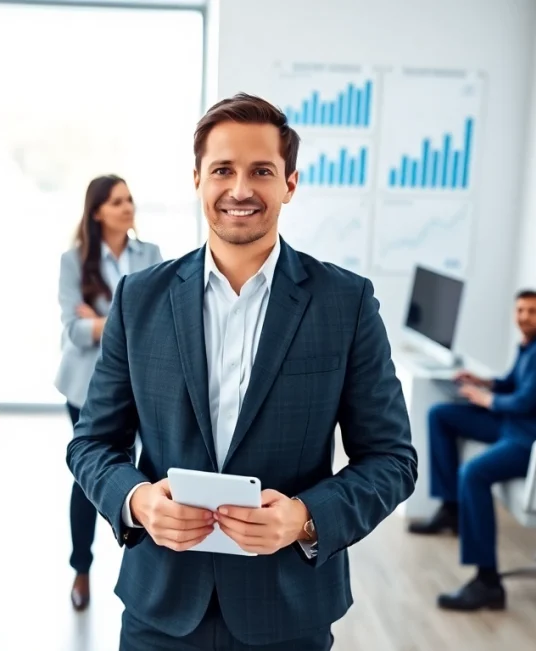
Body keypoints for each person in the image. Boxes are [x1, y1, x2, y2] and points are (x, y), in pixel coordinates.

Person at [66, 93, 418, 650]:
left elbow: (393, 460)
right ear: (198, 180)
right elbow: (91, 444)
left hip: (288, 609)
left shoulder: (344, 303)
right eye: (222, 170)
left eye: (261, 171)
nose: (239, 189)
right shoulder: (141, 299)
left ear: (290, 184)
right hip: (161, 606)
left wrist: (305, 517)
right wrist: (137, 501)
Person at [408, 289, 536, 612]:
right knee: (441, 415)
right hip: (511, 424)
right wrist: (484, 383)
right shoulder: (529, 346)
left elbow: (525, 402)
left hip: (533, 440)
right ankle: (451, 508)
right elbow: (513, 383)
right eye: (520, 311)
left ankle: (488, 582)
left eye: (532, 312)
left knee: (473, 473)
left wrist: (488, 400)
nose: (524, 317)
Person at [55, 174, 163, 611]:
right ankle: (81, 568)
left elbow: (162, 321)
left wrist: (104, 319)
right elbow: (74, 331)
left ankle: (145, 575)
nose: (127, 207)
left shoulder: (151, 254)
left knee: (145, 477)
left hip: (146, 386)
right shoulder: (74, 260)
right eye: (117, 201)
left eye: (130, 199)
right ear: (97, 210)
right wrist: (124, 319)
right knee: (90, 479)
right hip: (86, 386)